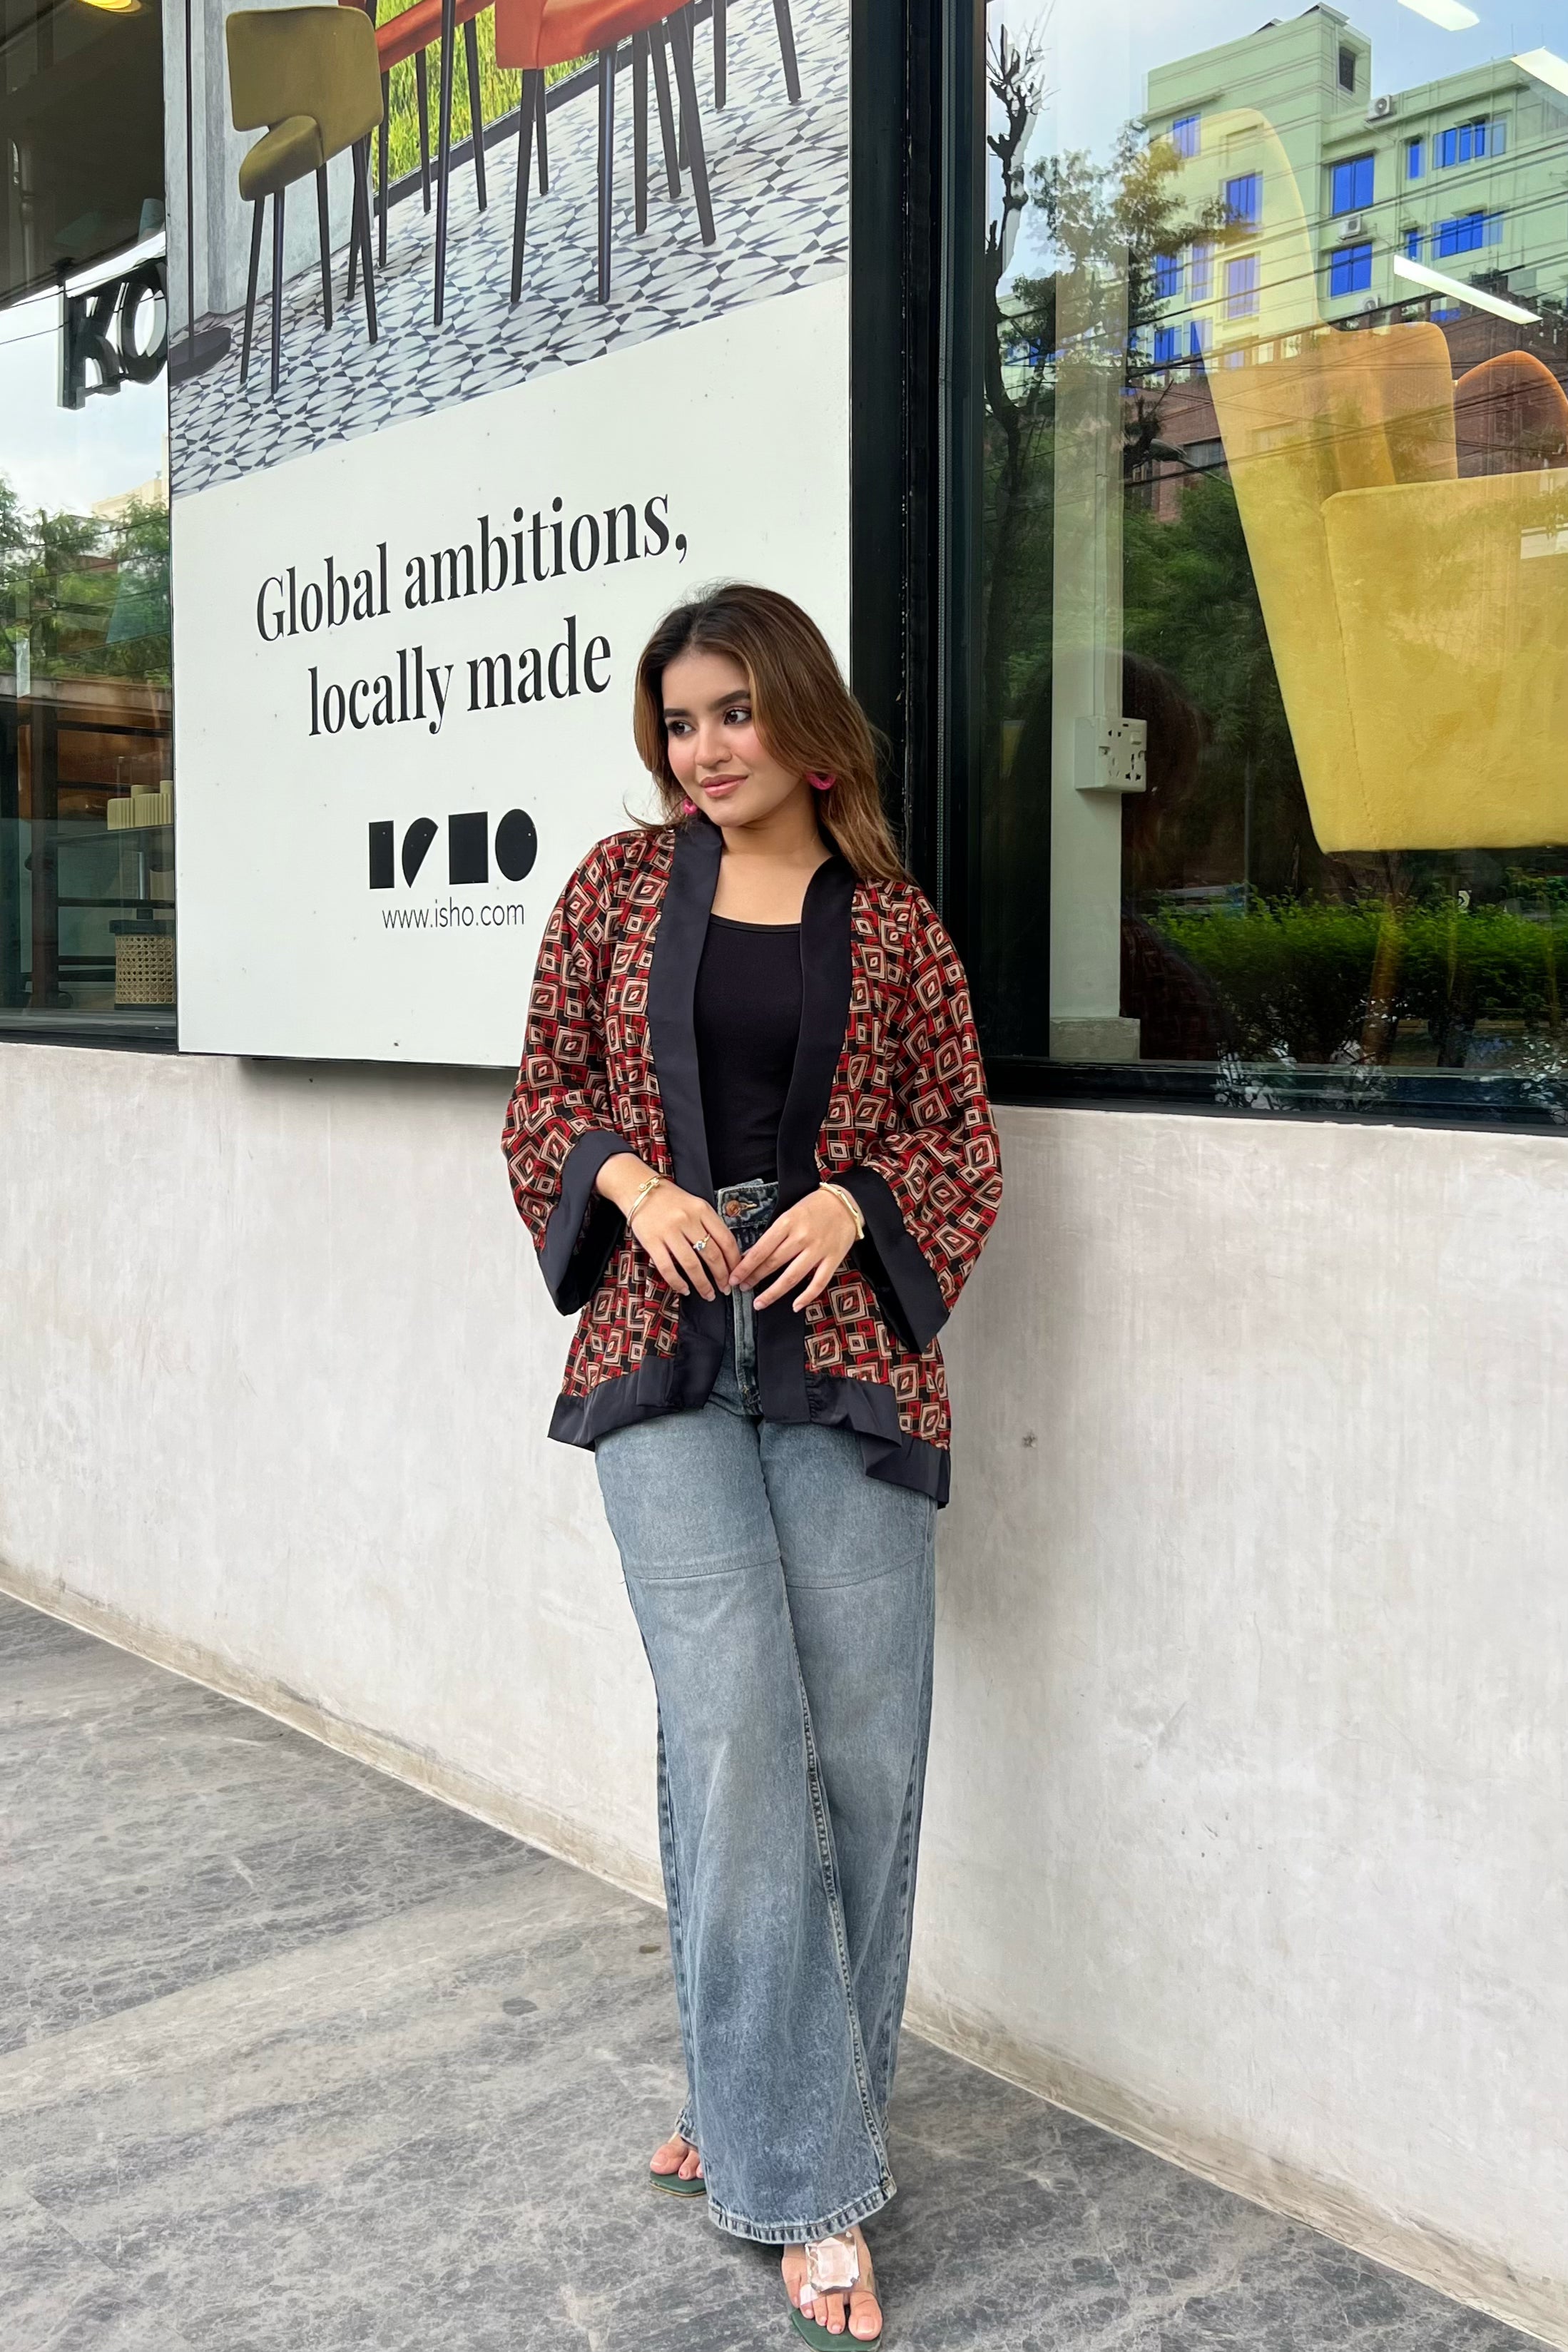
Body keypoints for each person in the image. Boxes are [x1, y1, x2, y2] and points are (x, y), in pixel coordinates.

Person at [502, 583, 1002, 2346]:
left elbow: (961, 1138)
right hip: (659, 1361)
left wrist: (853, 1204)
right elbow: (544, 1093)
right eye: (678, 721)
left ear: (801, 716)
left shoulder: (903, 930)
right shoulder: (615, 891)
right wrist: (634, 1191)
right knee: (734, 1738)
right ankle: (801, 2180)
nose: (702, 748)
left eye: (730, 712)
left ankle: (764, 2105)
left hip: (849, 1367)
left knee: (866, 1753)